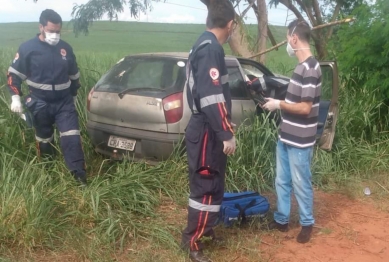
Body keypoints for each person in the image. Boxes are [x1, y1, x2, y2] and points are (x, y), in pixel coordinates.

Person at [181, 1, 237, 261]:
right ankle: (192, 241)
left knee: (213, 182)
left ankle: (206, 228)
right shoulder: (210, 49)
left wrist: (224, 124)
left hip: (208, 126)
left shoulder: (205, 44)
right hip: (206, 130)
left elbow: (215, 96)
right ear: (230, 24)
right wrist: (225, 132)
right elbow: (212, 98)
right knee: (205, 183)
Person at [7, 9, 87, 187]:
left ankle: (79, 177)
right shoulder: (28, 49)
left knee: (71, 136)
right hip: (40, 102)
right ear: (41, 27)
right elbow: (13, 75)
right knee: (44, 139)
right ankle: (49, 172)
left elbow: (74, 75)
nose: (55, 35)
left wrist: (74, 95)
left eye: (58, 31)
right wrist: (15, 98)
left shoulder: (65, 48)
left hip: (64, 102)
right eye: (51, 31)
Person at [262, 19, 322, 243]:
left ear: (294, 38)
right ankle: (281, 220)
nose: (288, 42)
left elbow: (305, 108)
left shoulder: (310, 69)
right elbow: (296, 102)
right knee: (282, 180)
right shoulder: (299, 67)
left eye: (288, 37)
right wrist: (277, 102)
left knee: (301, 182)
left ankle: (307, 223)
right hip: (285, 136)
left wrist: (278, 105)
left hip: (300, 141)